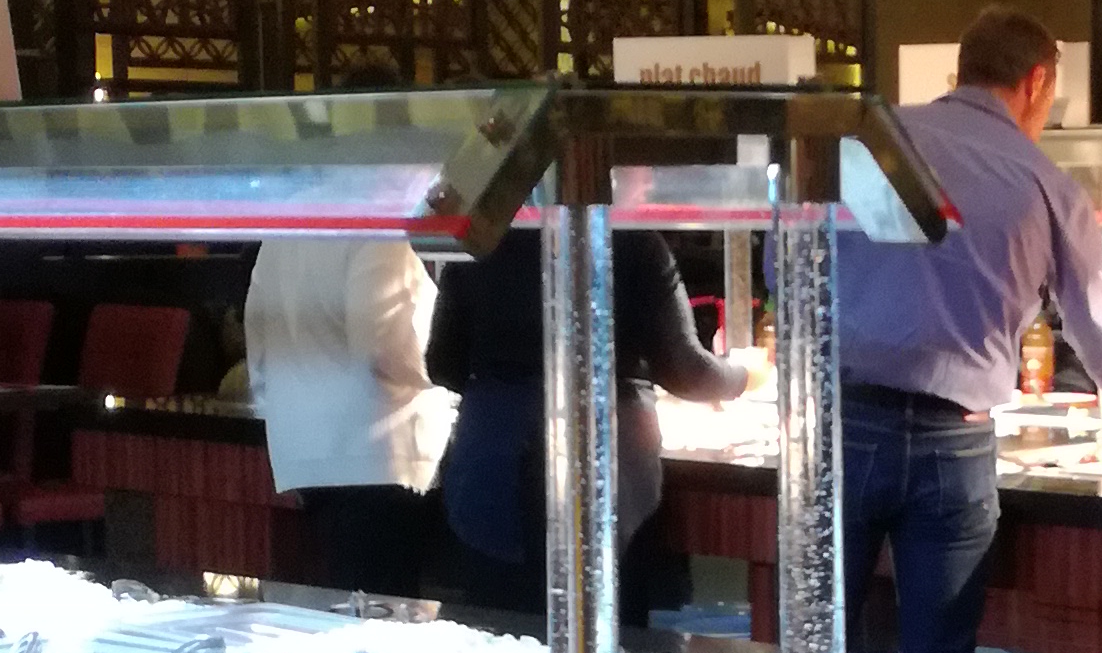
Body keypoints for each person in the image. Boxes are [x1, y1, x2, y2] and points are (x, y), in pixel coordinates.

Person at [834, 5, 1102, 653]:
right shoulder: (1043, 182)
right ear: (1036, 82)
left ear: (961, 70)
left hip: (844, 424)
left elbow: (786, 264)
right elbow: (1100, 327)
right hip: (954, 442)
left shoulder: (868, 144)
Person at [430, 222, 748, 627]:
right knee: (606, 633)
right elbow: (685, 371)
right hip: (607, 468)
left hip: (492, 462)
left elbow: (442, 364)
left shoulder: (483, 238)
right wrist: (742, 375)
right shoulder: (634, 243)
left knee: (500, 633)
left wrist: (503, 382)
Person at [242, 233, 451, 597]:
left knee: (340, 599)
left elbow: (258, 348)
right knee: (382, 609)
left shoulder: (280, 237)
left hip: (302, 450)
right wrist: (437, 383)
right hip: (376, 453)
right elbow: (378, 349)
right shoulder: (377, 235)